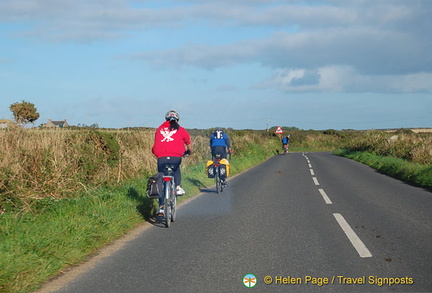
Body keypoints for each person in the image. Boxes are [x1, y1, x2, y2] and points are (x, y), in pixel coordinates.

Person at [152, 110, 192, 216]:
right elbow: (189, 144)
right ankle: (178, 187)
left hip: (162, 158)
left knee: (161, 179)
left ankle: (161, 207)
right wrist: (189, 152)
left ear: (166, 119)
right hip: (175, 158)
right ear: (177, 119)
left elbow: (156, 145)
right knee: (176, 168)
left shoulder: (159, 129)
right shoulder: (181, 130)